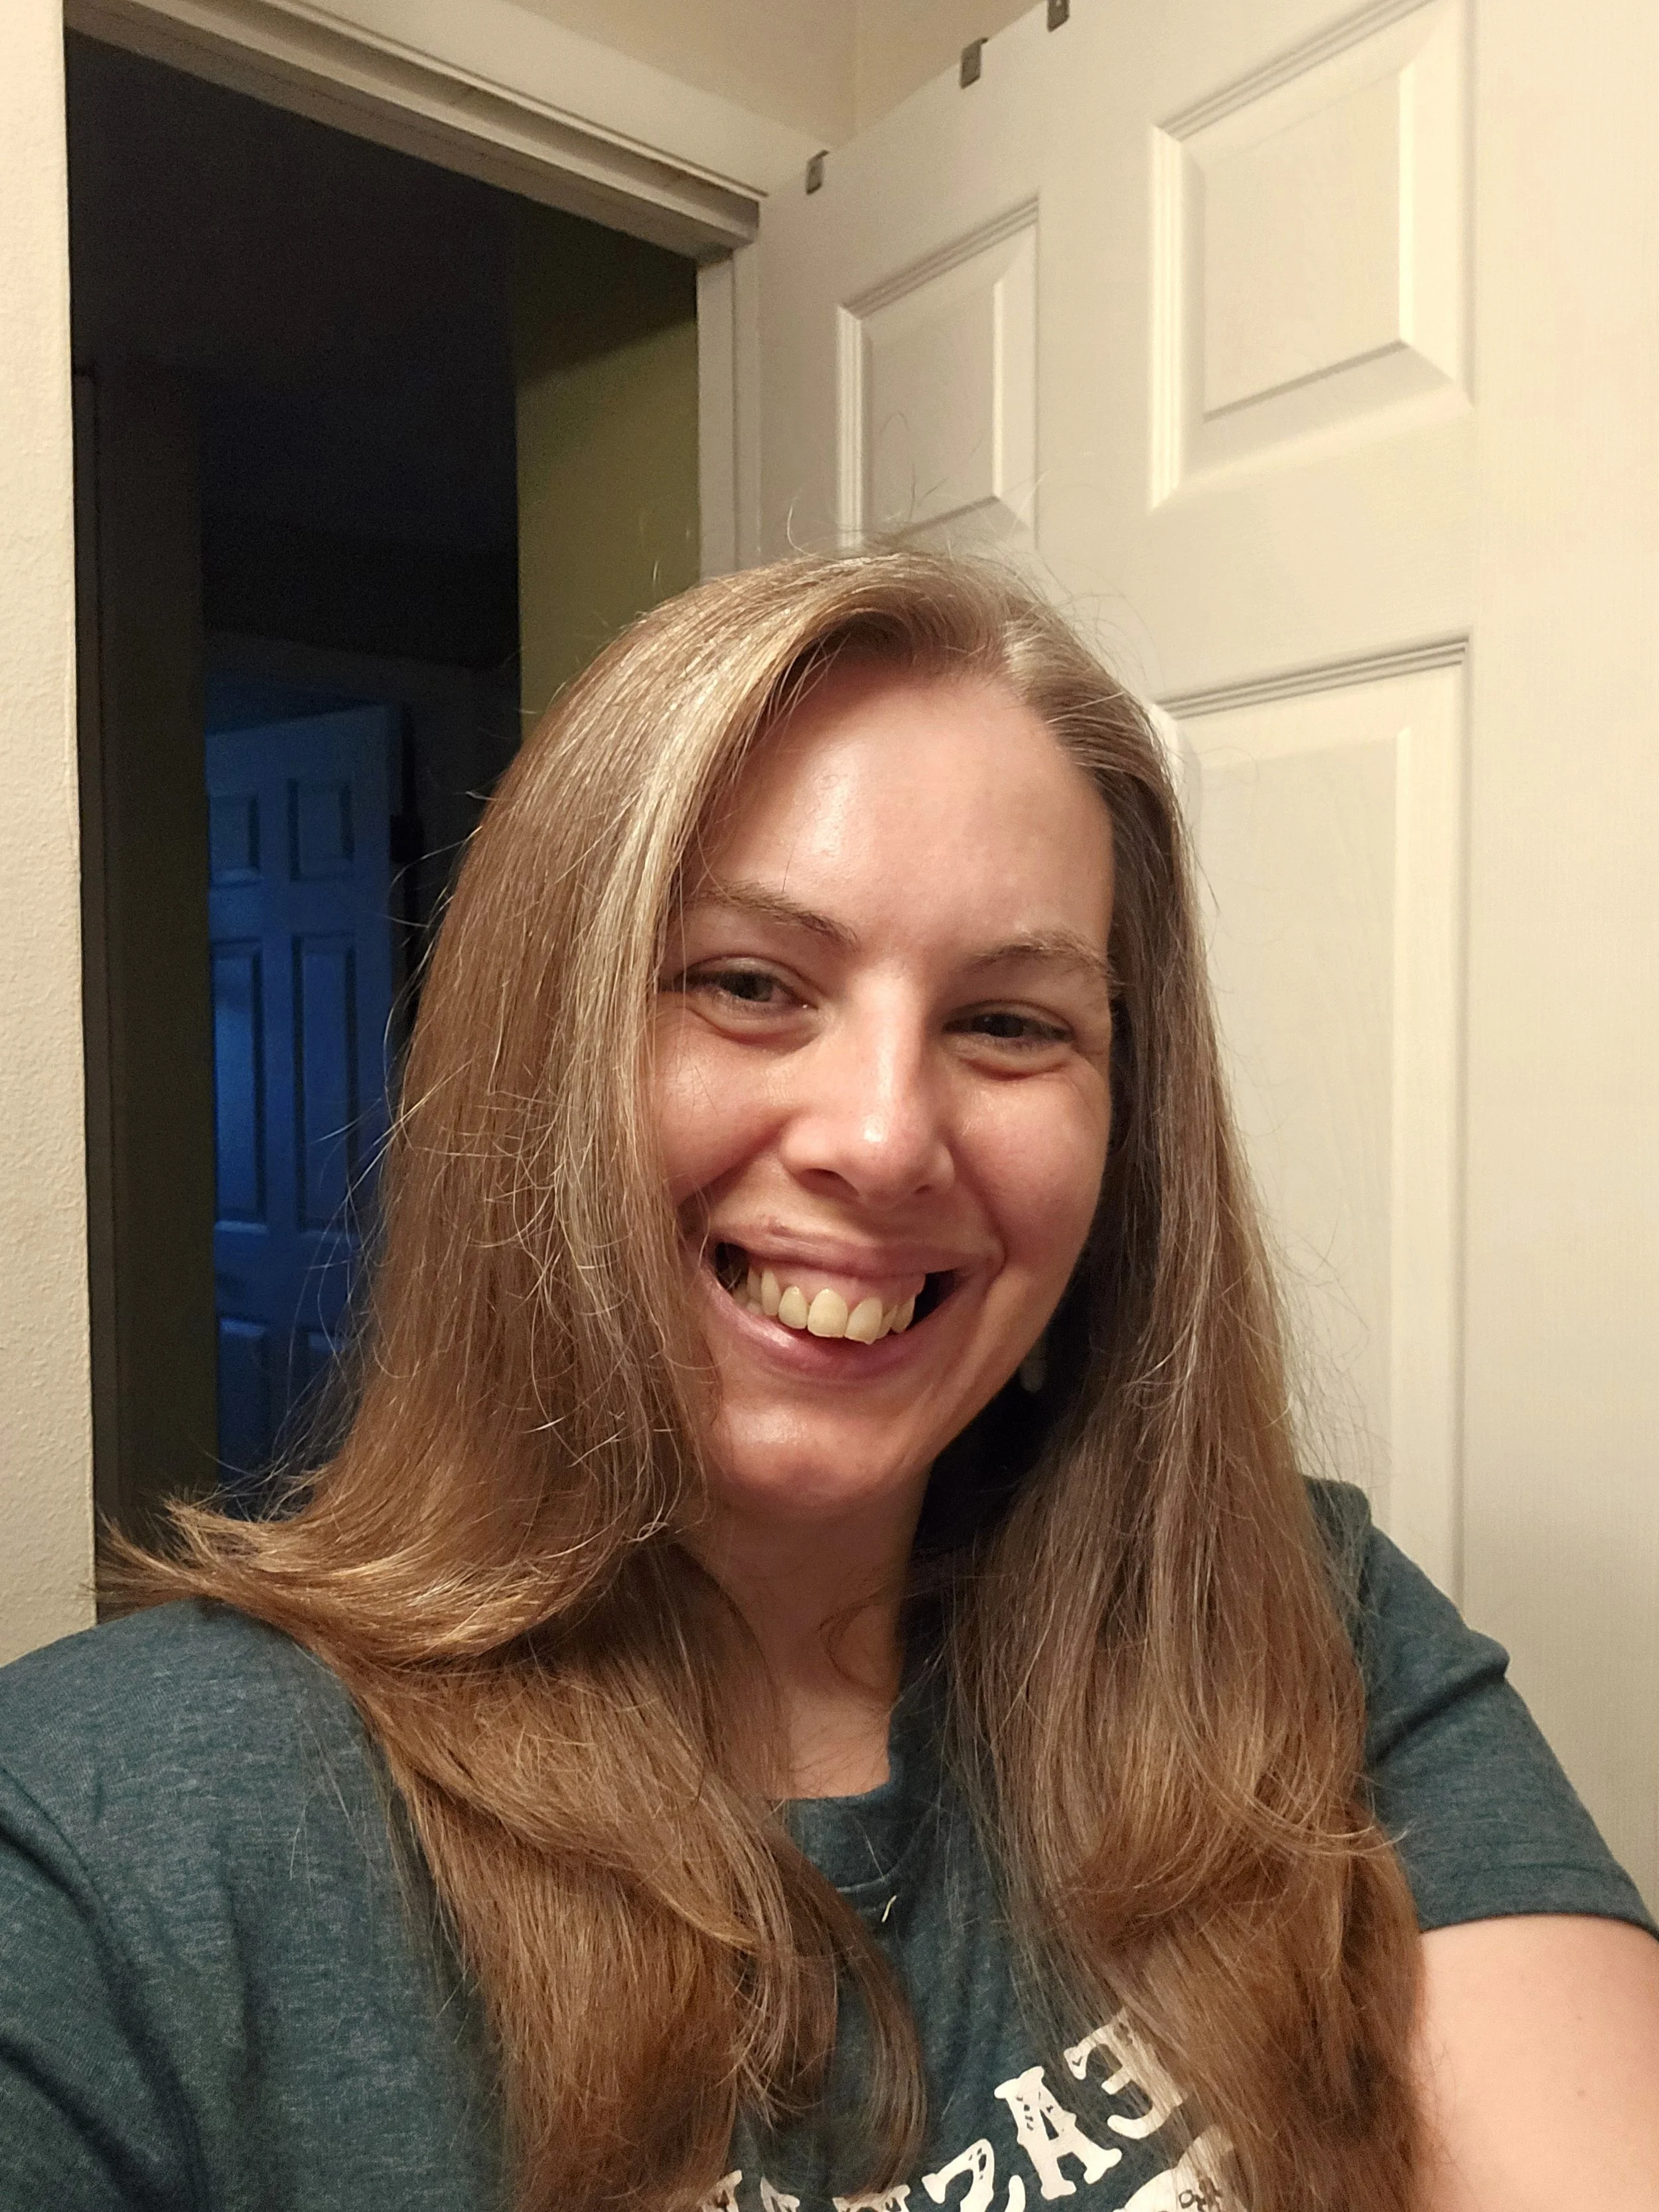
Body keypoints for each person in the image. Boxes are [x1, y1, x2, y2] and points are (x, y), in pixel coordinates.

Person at [1, 550, 1656, 2212]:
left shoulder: (1312, 1627)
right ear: (538, 1048)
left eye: (1009, 1023)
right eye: (745, 983)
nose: (879, 1137)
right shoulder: (99, 1844)